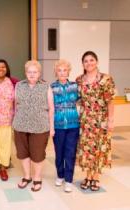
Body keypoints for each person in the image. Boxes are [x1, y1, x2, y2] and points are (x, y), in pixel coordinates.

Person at [12, 60, 54, 192]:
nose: (31, 74)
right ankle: (26, 176)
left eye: (34, 72)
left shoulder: (46, 86)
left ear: (39, 73)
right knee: (23, 153)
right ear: (25, 73)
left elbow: (51, 108)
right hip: (20, 125)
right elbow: (15, 105)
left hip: (40, 127)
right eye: (29, 72)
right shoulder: (19, 85)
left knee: (37, 154)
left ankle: (37, 178)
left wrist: (51, 127)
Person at [76, 51, 115, 191]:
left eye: (91, 60)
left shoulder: (106, 79)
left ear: (97, 62)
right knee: (86, 148)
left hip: (101, 119)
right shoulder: (79, 79)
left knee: (98, 148)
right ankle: (88, 176)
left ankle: (96, 177)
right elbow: (78, 100)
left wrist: (110, 121)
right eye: (86, 61)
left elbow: (110, 102)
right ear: (83, 64)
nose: (89, 63)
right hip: (85, 120)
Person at [51, 59, 80, 193]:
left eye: (65, 70)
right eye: (59, 70)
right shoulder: (51, 87)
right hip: (58, 124)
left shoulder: (75, 86)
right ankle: (60, 175)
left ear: (69, 71)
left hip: (73, 125)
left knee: (70, 153)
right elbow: (49, 107)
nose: (62, 72)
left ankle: (68, 179)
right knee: (59, 152)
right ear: (55, 72)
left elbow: (83, 102)